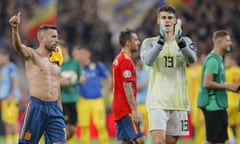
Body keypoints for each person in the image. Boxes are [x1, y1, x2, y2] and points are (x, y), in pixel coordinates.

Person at [140, 5, 197, 144]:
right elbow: (147, 61)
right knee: (158, 142)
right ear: (158, 21)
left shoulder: (187, 41)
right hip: (157, 101)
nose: (167, 20)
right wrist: (160, 42)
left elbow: (192, 59)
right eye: (163, 18)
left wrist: (180, 41)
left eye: (170, 18)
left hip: (179, 102)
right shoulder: (149, 42)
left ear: (175, 21)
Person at [9, 12, 66, 144]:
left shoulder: (55, 60)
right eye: (53, 37)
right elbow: (19, 47)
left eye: (57, 37)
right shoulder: (32, 55)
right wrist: (14, 28)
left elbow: (55, 83)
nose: (56, 40)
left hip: (54, 108)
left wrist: (59, 106)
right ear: (42, 39)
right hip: (36, 106)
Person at [197, 30, 240, 144]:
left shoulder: (219, 59)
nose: (230, 43)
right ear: (219, 42)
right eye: (228, 40)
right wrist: (229, 86)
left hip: (219, 105)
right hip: (213, 105)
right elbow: (207, 83)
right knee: (211, 140)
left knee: (220, 140)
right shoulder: (212, 60)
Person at [72, 47, 112, 144]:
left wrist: (106, 93)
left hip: (97, 100)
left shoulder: (98, 66)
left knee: (101, 125)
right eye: (79, 54)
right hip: (82, 101)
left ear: (88, 53)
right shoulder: (77, 67)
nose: (80, 56)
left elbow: (109, 78)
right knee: (84, 127)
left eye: (82, 53)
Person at [112, 29, 145, 144]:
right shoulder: (125, 61)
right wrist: (134, 109)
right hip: (125, 108)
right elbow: (127, 86)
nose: (138, 42)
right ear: (127, 43)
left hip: (119, 107)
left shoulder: (119, 58)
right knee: (140, 140)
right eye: (135, 40)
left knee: (125, 141)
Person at [59, 41, 82, 142]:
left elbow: (81, 79)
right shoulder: (57, 64)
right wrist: (60, 82)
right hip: (63, 100)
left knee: (73, 129)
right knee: (63, 128)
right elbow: (53, 81)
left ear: (65, 49)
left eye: (60, 49)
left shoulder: (75, 63)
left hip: (73, 98)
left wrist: (75, 80)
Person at [0, 49, 21, 144]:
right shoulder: (2, 68)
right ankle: (9, 141)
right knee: (6, 120)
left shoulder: (11, 67)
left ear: (6, 57)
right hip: (4, 97)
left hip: (11, 97)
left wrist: (12, 94)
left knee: (13, 119)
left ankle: (16, 140)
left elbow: (14, 81)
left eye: (1, 56)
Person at [186, 53, 206, 144]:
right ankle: (199, 141)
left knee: (202, 122)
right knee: (196, 123)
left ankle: (203, 141)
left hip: (201, 100)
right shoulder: (186, 71)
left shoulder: (201, 69)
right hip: (191, 101)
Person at [224, 53, 240, 144]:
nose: (225, 62)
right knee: (239, 125)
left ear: (232, 60)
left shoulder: (227, 72)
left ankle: (231, 138)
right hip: (239, 103)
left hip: (229, 102)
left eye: (226, 60)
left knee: (224, 123)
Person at [134, 55, 149, 136]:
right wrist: (146, 83)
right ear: (137, 62)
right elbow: (136, 87)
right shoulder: (134, 73)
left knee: (149, 126)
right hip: (138, 104)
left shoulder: (146, 72)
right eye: (141, 60)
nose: (142, 62)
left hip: (147, 103)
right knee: (140, 127)